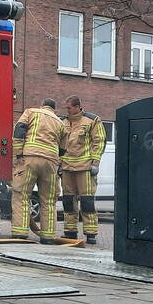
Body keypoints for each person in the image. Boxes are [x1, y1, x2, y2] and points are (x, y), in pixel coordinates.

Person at [10, 98, 64, 242]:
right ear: (54, 109)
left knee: (21, 195)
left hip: (29, 158)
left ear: (42, 106)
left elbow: (19, 132)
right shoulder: (60, 122)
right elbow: (63, 148)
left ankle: (20, 233)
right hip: (51, 163)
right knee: (49, 200)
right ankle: (48, 236)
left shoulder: (31, 112)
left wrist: (18, 155)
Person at [59, 95, 106, 244]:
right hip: (67, 167)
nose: (67, 110)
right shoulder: (63, 122)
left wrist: (95, 163)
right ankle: (70, 231)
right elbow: (58, 145)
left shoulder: (92, 120)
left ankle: (91, 233)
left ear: (78, 106)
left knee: (87, 201)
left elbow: (99, 141)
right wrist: (59, 164)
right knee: (68, 201)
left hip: (84, 167)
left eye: (69, 107)